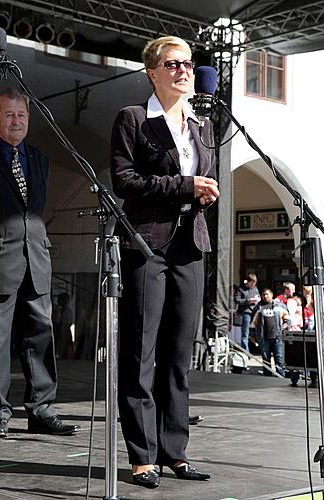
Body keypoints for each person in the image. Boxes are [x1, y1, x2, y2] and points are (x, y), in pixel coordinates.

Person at [110, 36, 219, 488]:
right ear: (152, 72)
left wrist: (204, 192)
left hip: (189, 247)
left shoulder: (202, 126)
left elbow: (204, 181)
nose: (184, 71)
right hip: (145, 245)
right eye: (173, 65)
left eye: (189, 65)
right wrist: (185, 186)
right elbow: (124, 180)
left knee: (177, 355)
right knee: (141, 353)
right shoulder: (133, 119)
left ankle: (175, 451)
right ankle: (142, 455)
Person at [0, 89, 80, 438]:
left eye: (22, 115)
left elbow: (35, 212)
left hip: (36, 257)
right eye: (9, 115)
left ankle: (41, 409)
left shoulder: (39, 158)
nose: (16, 121)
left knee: (41, 335)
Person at [251, 288, 290, 376]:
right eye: (263, 294)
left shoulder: (280, 306)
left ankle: (281, 378)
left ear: (272, 295)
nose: (265, 296)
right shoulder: (258, 307)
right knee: (266, 361)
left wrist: (286, 325)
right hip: (264, 338)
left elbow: (288, 319)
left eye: (267, 294)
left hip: (277, 338)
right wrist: (252, 335)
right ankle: (267, 378)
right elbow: (253, 323)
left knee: (279, 360)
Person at [234, 273, 260, 351]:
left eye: (254, 284)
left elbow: (258, 296)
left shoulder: (255, 289)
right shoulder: (241, 288)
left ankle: (255, 348)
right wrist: (248, 301)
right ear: (248, 282)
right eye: (251, 283)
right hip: (246, 311)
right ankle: (246, 351)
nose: (253, 285)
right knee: (245, 332)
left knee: (253, 330)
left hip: (255, 311)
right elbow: (237, 300)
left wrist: (257, 300)